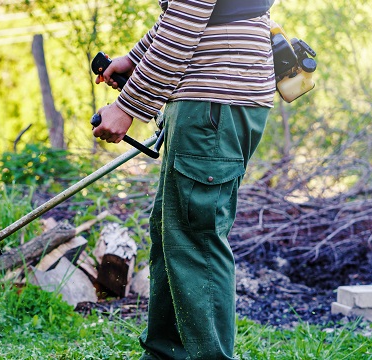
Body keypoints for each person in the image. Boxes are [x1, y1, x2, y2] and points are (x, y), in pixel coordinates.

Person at [92, 0, 276, 358]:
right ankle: (165, 354)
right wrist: (133, 59)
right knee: (171, 232)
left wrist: (126, 107)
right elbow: (182, 12)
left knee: (196, 239)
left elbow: (184, 22)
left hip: (215, 99)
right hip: (208, 98)